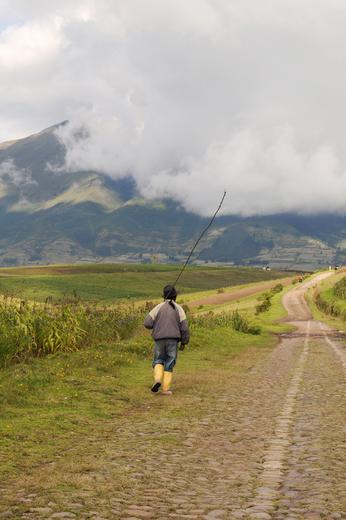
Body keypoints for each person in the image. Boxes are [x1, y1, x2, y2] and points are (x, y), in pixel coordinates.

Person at [144, 285, 190, 395]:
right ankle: (165, 389)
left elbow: (147, 323)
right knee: (170, 362)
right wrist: (184, 342)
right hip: (173, 340)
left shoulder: (158, 307)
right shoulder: (179, 309)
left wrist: (156, 325)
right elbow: (184, 328)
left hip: (159, 339)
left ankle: (158, 379)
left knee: (158, 360)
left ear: (164, 296)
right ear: (175, 296)